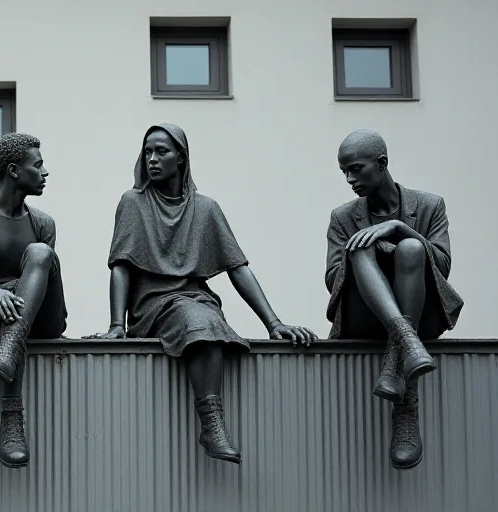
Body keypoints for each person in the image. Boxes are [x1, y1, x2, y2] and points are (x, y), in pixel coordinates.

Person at [86, 123, 316, 464]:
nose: (152, 159)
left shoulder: (206, 208)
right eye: (147, 151)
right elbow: (121, 265)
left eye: (161, 151)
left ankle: (212, 420)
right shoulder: (133, 202)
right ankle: (211, 422)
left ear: (180, 156)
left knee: (203, 318)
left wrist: (274, 323)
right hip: (154, 306)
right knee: (199, 321)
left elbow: (237, 267)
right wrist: (116, 325)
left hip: (197, 301)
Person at [325, 128, 463, 470]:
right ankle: (405, 341)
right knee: (359, 246)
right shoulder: (343, 216)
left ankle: (402, 394)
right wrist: (375, 251)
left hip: (425, 312)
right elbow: (332, 280)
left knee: (414, 248)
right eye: (344, 171)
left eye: (355, 168)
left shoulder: (430, 205)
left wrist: (402, 232)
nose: (349, 178)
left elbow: (441, 268)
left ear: (382, 163)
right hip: (362, 315)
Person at [0, 132, 67, 468]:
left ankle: (10, 350)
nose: (45, 172)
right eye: (39, 164)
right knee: (12, 314)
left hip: (40, 319)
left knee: (40, 252)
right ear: (15, 171)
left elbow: (41, 276)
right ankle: (11, 420)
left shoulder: (43, 223)